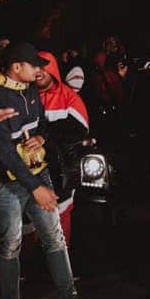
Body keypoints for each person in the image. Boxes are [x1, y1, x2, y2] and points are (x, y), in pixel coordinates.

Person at [0, 42, 94, 299]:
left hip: (37, 176)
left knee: (54, 238)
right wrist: (36, 188)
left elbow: (42, 124)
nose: (39, 70)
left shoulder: (30, 91)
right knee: (9, 245)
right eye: (33, 65)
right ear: (16, 68)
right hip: (9, 184)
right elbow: (4, 153)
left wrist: (42, 139)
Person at [33, 50, 90, 254]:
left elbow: (79, 128)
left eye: (42, 67)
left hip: (61, 170)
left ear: (52, 69)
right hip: (30, 170)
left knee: (60, 217)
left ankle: (63, 269)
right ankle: (31, 268)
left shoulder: (69, 97)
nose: (38, 72)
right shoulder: (26, 96)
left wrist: (46, 134)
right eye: (35, 67)